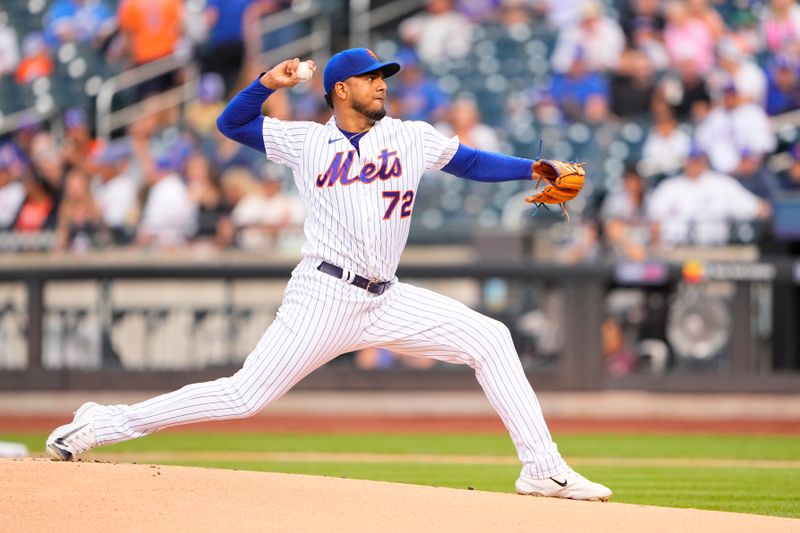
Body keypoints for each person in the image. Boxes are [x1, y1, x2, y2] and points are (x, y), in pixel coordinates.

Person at [45, 48, 612, 502]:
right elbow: (230, 122)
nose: (382, 84)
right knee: (243, 396)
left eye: (384, 76)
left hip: (385, 297)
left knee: (491, 338)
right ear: (342, 90)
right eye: (370, 78)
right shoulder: (306, 141)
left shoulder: (409, 136)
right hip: (324, 293)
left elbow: (468, 161)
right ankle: (101, 423)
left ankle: (543, 470)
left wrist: (529, 169)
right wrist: (269, 82)